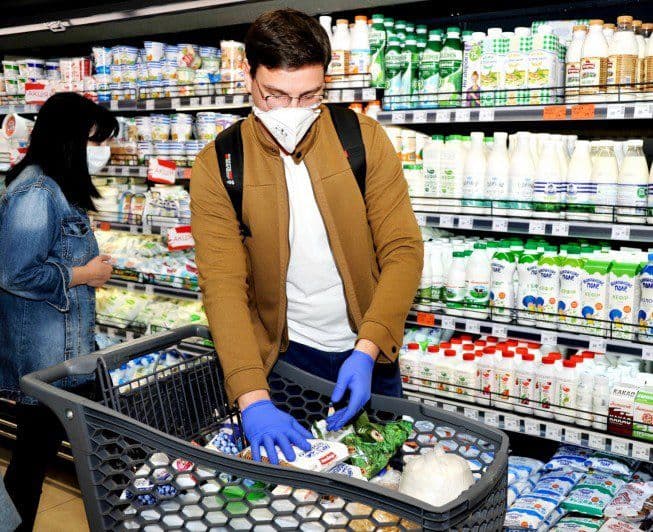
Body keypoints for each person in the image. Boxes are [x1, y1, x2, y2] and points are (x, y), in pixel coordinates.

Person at [191, 9, 423, 464]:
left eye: (309, 95)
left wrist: (370, 346)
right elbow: (223, 288)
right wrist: (252, 397)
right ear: (248, 76)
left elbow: (403, 250)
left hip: (368, 354)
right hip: (285, 363)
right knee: (297, 500)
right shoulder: (219, 165)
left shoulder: (363, 139)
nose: (292, 112)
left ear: (326, 84)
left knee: (380, 492)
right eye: (275, 95)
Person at [0, 92, 117, 531]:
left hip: (68, 356)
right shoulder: (35, 191)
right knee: (32, 464)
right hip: (49, 363)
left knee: (37, 461)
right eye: (94, 140)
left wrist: (87, 270)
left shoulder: (53, 187)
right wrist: (82, 274)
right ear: (70, 140)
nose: (99, 151)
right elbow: (15, 274)